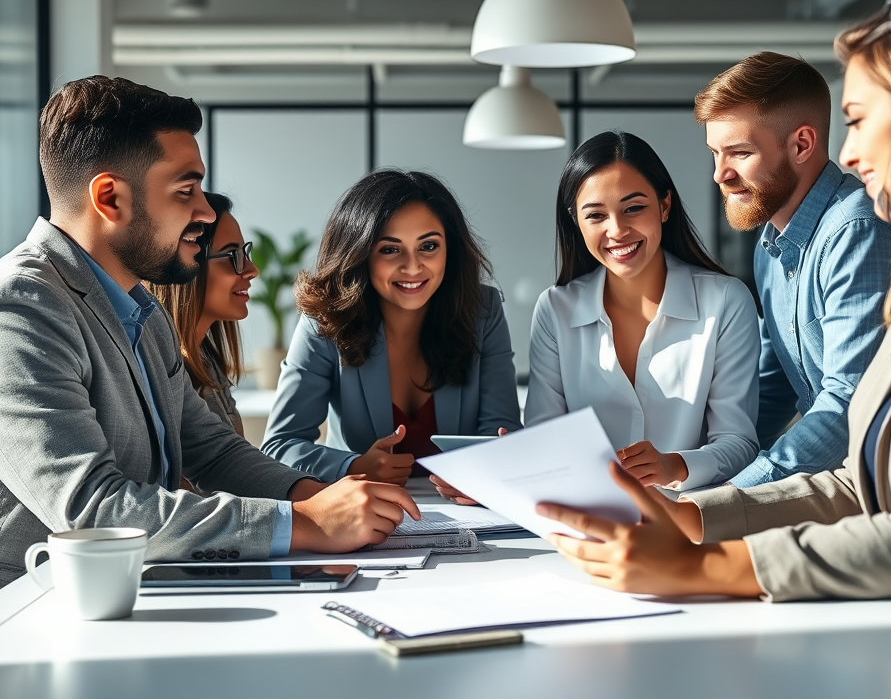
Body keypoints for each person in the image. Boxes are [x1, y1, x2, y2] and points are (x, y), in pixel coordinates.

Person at [539, 0, 891, 656]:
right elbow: (865, 479)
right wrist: (694, 516)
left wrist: (703, 563)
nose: (848, 153)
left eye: (857, 119)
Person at [0, 77, 419, 586]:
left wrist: (315, 497)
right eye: (186, 189)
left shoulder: (140, 312)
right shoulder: (21, 306)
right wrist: (303, 522)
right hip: (30, 612)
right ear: (109, 198)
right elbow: (93, 509)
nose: (204, 210)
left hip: (127, 595)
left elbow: (214, 451)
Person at [695, 52, 891, 487]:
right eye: (715, 153)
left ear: (802, 145)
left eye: (739, 152)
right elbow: (774, 388)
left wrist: (724, 500)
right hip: (838, 482)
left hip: (885, 488)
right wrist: (692, 466)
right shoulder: (769, 245)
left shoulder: (857, 229)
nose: (720, 174)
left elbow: (849, 405)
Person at [525, 130, 760, 491]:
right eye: (596, 216)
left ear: (664, 205)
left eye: (633, 208)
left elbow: (739, 442)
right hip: (586, 513)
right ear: (576, 222)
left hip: (688, 520)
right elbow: (545, 436)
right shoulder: (555, 309)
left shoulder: (726, 302)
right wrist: (519, 458)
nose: (617, 230)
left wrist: (676, 465)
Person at [261, 169, 522, 488]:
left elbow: (503, 432)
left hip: (470, 520)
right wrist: (353, 465)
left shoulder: (483, 310)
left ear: (449, 250)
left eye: (428, 247)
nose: (412, 266)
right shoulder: (325, 318)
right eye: (390, 249)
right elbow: (279, 446)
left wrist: (481, 471)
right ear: (360, 253)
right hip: (363, 514)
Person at [147, 192, 255, 439]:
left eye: (244, 253)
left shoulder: (207, 362)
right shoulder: (158, 373)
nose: (251, 270)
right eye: (233, 256)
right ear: (185, 263)